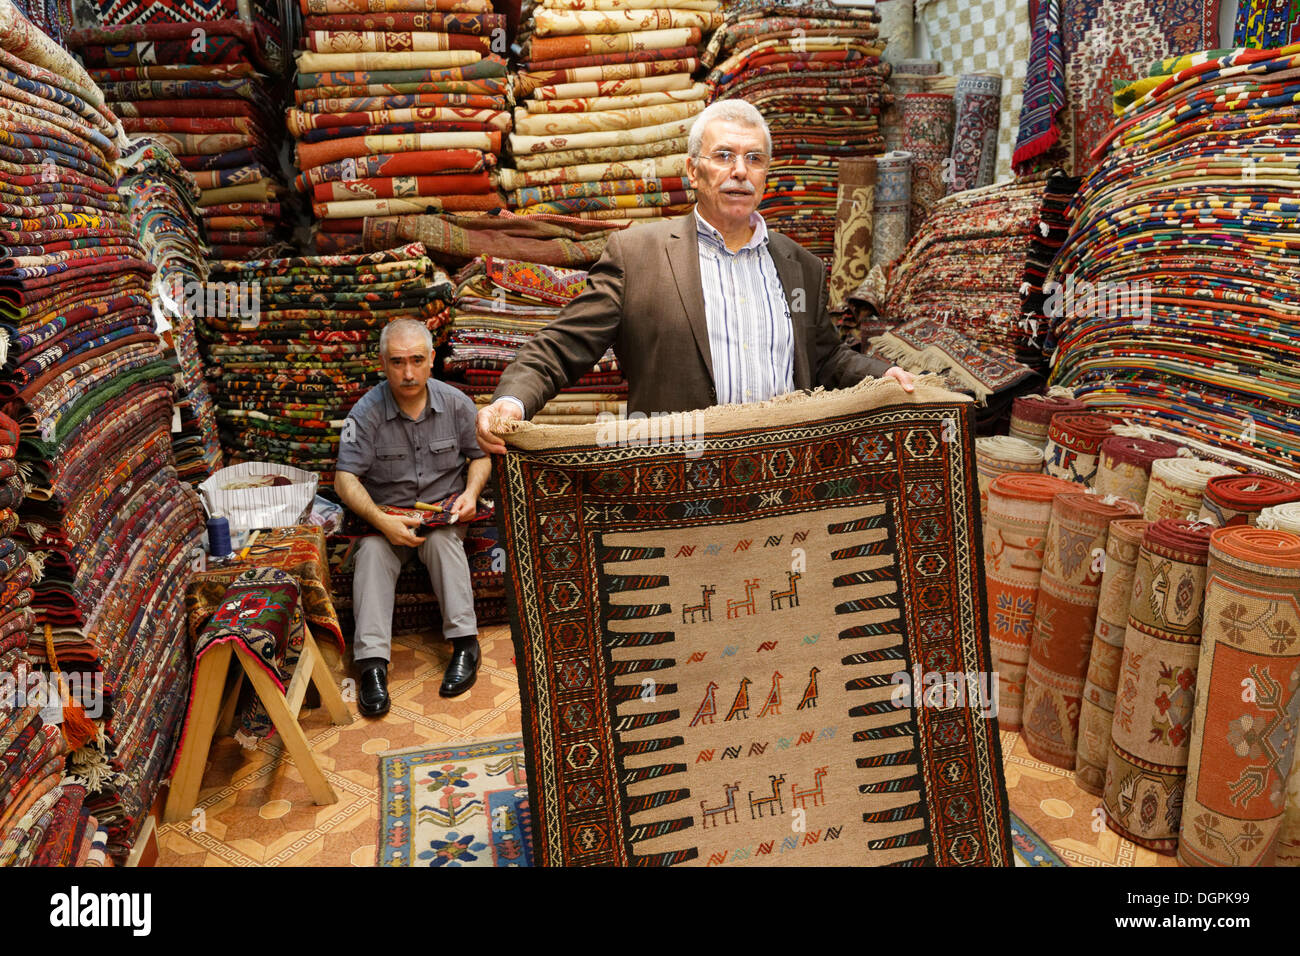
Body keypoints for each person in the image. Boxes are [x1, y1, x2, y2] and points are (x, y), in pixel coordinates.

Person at [475, 98, 914, 454]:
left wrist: (882, 375)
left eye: (753, 159)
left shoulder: (802, 267)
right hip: (678, 483)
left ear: (766, 175)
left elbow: (824, 359)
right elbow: (562, 346)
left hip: (785, 477)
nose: (739, 171)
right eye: (723, 156)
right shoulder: (638, 255)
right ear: (692, 170)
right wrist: (511, 402)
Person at [335, 319, 490, 716]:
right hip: (387, 518)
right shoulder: (365, 413)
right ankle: (371, 666)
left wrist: (471, 495)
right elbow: (344, 478)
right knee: (370, 553)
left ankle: (464, 645)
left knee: (441, 542)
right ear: (383, 363)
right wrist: (379, 519)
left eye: (417, 360)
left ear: (432, 359)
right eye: (398, 362)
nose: (408, 372)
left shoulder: (457, 403)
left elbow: (480, 457)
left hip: (444, 514)